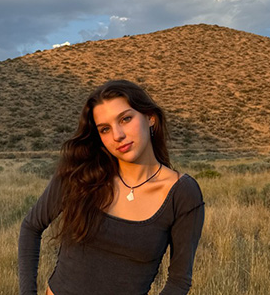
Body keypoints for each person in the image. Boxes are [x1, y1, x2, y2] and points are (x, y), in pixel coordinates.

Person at [18, 79, 205, 295]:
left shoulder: (181, 193)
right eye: (105, 129)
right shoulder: (80, 174)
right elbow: (31, 226)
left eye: (125, 119)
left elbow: (179, 281)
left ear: (150, 118)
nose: (118, 135)